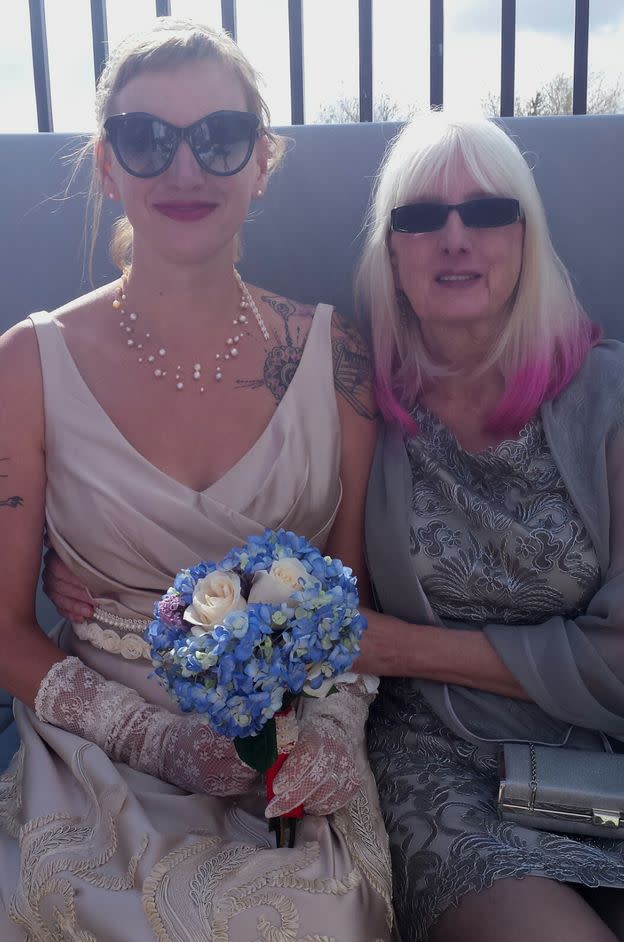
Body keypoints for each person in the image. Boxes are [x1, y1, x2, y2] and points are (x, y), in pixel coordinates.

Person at [0, 19, 394, 941]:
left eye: (219, 138)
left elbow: (353, 593)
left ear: (263, 161)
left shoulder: (335, 355)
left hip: (294, 743)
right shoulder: (27, 364)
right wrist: (155, 738)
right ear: (107, 166)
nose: (185, 171)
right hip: (96, 739)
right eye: (147, 139)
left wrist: (333, 735)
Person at [352, 113, 624, 941]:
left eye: (486, 211)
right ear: (393, 252)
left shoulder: (610, 399)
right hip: (443, 768)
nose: (454, 237)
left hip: (608, 759)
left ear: (525, 236)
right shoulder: (356, 403)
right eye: (421, 216)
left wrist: (403, 647)